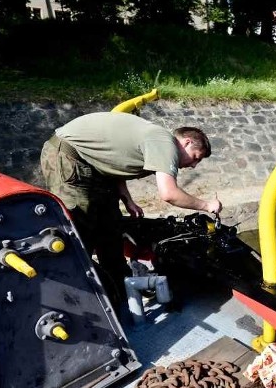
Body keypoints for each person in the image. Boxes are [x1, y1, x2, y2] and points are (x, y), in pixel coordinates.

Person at [40, 111, 222, 300]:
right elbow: (169, 194)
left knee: (110, 227)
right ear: (186, 143)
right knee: (79, 231)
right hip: (69, 158)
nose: (193, 166)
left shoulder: (156, 140)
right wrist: (207, 205)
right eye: (195, 158)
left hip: (94, 167)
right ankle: (72, 295)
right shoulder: (165, 143)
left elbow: (116, 163)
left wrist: (127, 199)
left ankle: (120, 289)